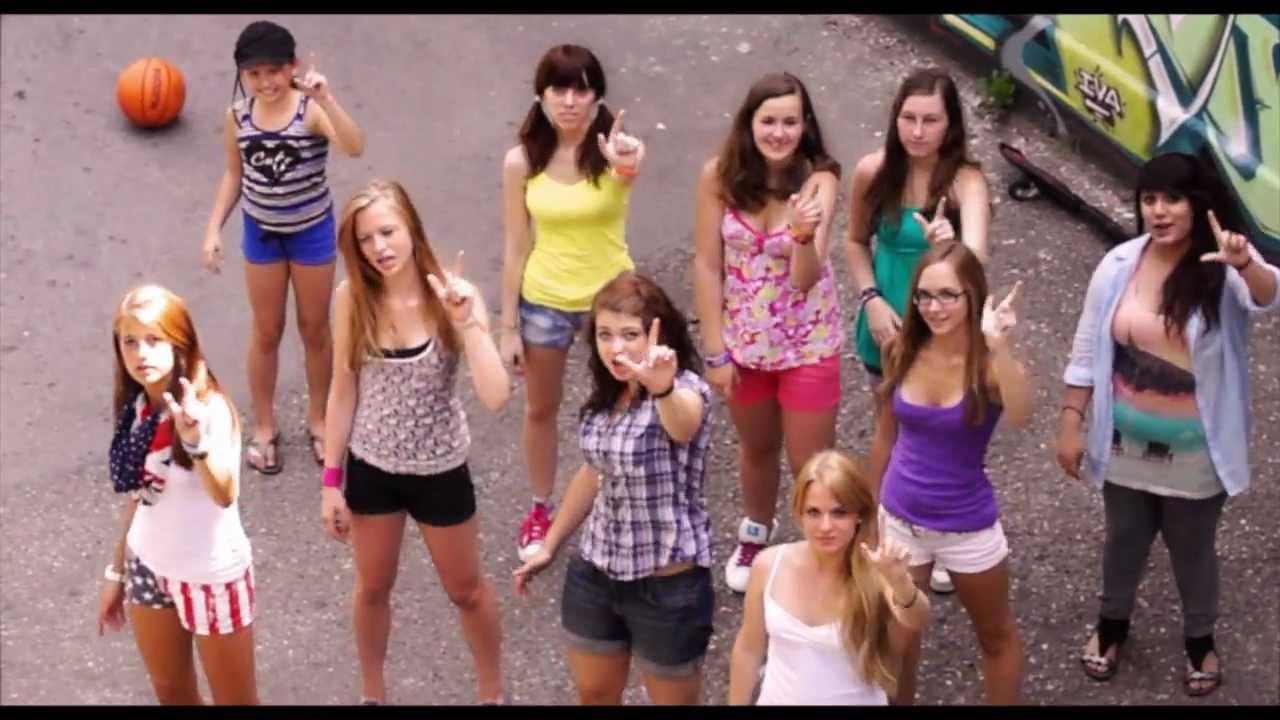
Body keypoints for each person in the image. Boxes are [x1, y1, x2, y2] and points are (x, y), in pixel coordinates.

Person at [1056, 152, 1279, 698]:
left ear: (1198, 204)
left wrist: (1243, 263)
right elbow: (1087, 345)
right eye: (1150, 199)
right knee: (1123, 540)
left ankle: (1200, 639)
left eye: (1173, 199)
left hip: (1197, 453)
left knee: (1192, 549)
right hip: (1122, 444)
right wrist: (1070, 419)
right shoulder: (1118, 264)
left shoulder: (1221, 269)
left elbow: (1267, 296)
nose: (1158, 211)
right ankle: (1111, 625)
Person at [318, 179, 510, 705]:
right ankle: (373, 694)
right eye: (365, 239)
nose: (379, 248)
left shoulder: (453, 295)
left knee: (466, 590)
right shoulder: (351, 298)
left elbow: (496, 395)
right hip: (372, 466)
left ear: (411, 229)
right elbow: (342, 389)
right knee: (372, 588)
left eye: (387, 232)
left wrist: (469, 325)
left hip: (439, 468)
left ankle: (492, 692)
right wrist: (332, 479)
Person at [513, 271, 714, 705]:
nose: (615, 347)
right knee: (594, 695)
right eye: (605, 335)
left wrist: (661, 389)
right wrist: (549, 545)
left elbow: (684, 425)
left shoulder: (684, 389)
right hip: (596, 574)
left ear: (658, 336)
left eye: (629, 335)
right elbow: (594, 472)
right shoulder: (607, 397)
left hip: (667, 588)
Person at [691, 71, 843, 593]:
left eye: (790, 122)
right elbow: (707, 265)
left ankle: (821, 552)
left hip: (807, 345)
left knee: (810, 464)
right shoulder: (718, 176)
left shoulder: (819, 181)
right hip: (744, 344)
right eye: (769, 121)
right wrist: (715, 351)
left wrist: (801, 235)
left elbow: (805, 278)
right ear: (749, 123)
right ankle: (756, 531)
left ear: (805, 126)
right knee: (756, 448)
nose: (779, 133)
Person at [844, 67, 992, 596]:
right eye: (908, 118)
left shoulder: (964, 182)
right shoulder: (873, 171)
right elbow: (855, 241)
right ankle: (882, 532)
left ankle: (943, 534)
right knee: (890, 427)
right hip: (885, 327)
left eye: (931, 120)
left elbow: (977, 259)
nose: (917, 131)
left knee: (948, 433)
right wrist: (870, 299)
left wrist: (951, 247)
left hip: (942, 331)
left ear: (950, 125)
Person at [499, 44, 647, 562]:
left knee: (627, 405)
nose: (569, 101)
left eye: (580, 90)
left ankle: (626, 497)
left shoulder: (615, 150)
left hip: (614, 303)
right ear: (541, 96)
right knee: (540, 409)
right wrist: (507, 326)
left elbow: (631, 163)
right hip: (545, 300)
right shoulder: (522, 161)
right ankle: (541, 506)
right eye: (558, 89)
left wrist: (625, 159)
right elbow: (516, 245)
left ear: (597, 97)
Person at [869, 241, 1031, 704]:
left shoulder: (990, 367)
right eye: (924, 296)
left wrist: (1000, 347)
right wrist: (869, 514)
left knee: (995, 637)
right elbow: (884, 437)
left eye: (947, 295)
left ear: (972, 296)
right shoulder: (901, 349)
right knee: (897, 643)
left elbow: (1022, 413)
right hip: (900, 520)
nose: (933, 308)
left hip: (967, 528)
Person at [202, 20, 366, 474]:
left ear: (293, 66)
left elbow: (354, 146)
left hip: (311, 231)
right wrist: (214, 228)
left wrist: (327, 100)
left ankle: (319, 419)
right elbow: (234, 174)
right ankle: (264, 425)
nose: (265, 82)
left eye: (273, 70)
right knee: (266, 331)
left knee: (315, 329)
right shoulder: (238, 117)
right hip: (262, 233)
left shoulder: (309, 111)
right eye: (253, 74)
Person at [97, 284, 257, 705]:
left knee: (235, 699)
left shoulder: (209, 408)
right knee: (171, 691)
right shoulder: (137, 408)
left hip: (210, 576)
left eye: (154, 339)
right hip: (148, 566)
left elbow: (225, 493)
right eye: (130, 341)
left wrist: (195, 443)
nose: (141, 353)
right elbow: (139, 495)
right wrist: (117, 572)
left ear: (179, 342)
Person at [728, 449, 929, 705]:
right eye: (814, 512)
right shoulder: (769, 565)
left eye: (839, 513)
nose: (825, 526)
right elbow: (748, 649)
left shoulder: (877, 571)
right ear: (799, 513)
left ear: (858, 515)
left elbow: (917, 619)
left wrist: (901, 582)